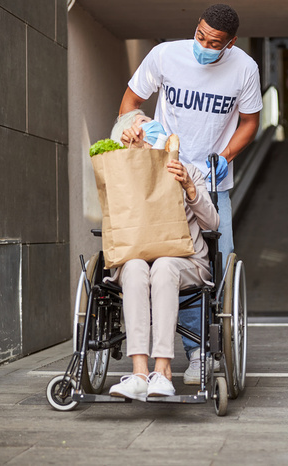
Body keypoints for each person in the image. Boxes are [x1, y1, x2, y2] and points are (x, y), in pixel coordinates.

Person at [117, 3, 262, 384]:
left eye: (213, 42)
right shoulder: (165, 55)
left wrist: (225, 156)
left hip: (210, 183)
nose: (203, 44)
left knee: (213, 264)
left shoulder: (244, 69)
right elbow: (130, 104)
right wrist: (135, 128)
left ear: (229, 44)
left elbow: (250, 123)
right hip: (162, 173)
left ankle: (200, 351)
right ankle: (158, 355)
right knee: (160, 258)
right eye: (200, 35)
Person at [107, 118, 220, 401]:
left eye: (147, 120)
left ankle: (163, 370)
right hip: (136, 259)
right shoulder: (122, 171)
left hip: (185, 262)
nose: (147, 124)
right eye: (139, 123)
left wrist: (190, 187)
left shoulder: (187, 169)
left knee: (164, 265)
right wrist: (128, 155)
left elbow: (212, 222)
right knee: (133, 267)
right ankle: (139, 373)